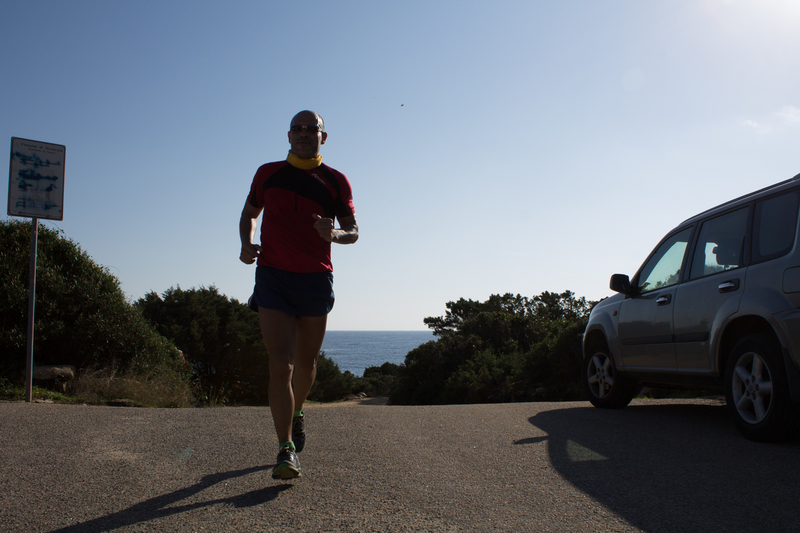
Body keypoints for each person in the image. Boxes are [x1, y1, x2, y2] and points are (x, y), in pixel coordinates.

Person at [239, 110, 358, 480]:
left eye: (312, 129)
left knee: (306, 366)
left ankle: (298, 410)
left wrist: (334, 233)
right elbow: (249, 212)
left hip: (315, 280)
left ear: (324, 137)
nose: (304, 134)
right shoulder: (267, 173)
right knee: (281, 364)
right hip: (273, 276)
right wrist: (246, 243)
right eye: (298, 129)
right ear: (288, 136)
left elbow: (353, 230)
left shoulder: (336, 181)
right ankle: (285, 448)